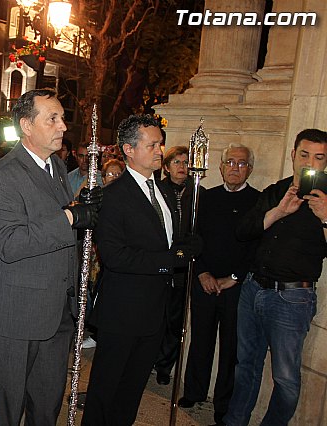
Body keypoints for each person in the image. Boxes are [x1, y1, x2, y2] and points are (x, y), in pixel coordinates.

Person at [0, 88, 102, 426]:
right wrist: (69, 217)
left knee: (47, 405)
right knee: (11, 405)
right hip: (16, 313)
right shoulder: (3, 176)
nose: (63, 126)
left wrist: (80, 208)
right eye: (53, 118)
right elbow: (10, 242)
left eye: (62, 118)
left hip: (57, 310)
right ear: (26, 126)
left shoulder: (58, 168)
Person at [82, 114, 201, 425]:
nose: (160, 151)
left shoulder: (163, 191)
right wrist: (172, 258)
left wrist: (189, 244)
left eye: (160, 144)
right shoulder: (113, 196)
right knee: (105, 391)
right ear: (129, 149)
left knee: (132, 391)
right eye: (152, 145)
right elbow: (116, 256)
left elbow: (169, 238)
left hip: (155, 310)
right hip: (122, 312)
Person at [224, 129, 327, 426]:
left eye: (319, 158)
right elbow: (243, 231)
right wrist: (279, 211)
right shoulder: (275, 190)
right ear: (294, 155)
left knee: (285, 379)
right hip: (254, 288)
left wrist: (324, 217)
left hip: (292, 299)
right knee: (246, 366)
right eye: (305, 154)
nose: (310, 162)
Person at [176, 144, 260, 425]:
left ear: (250, 169)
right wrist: (201, 272)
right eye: (230, 162)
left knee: (231, 349)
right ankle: (194, 391)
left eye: (241, 163)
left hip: (237, 287)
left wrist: (234, 277)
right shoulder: (205, 198)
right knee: (199, 340)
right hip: (205, 281)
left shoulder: (258, 201)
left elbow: (255, 247)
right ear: (221, 166)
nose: (235, 167)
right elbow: (192, 238)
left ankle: (224, 403)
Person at [154, 145, 195, 386]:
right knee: (156, 313)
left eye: (186, 162)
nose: (182, 167)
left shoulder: (197, 192)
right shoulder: (158, 191)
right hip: (162, 261)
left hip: (182, 265)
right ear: (167, 167)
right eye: (177, 162)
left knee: (175, 318)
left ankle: (164, 366)